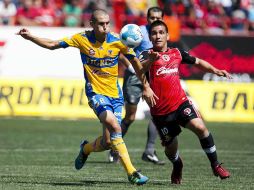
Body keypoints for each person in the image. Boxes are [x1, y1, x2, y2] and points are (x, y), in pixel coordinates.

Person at [16, 9, 158, 185]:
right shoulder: (81, 39)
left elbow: (136, 64)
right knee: (116, 127)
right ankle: (132, 173)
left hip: (115, 95)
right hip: (95, 93)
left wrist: (146, 84)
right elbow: (52, 44)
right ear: (92, 24)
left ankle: (86, 149)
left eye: (107, 23)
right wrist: (30, 37)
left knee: (108, 142)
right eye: (101, 24)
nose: (105, 27)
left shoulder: (118, 41)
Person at [140, 20, 231, 184]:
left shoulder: (177, 53)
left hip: (181, 103)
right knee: (170, 149)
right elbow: (139, 70)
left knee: (200, 127)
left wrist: (215, 70)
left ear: (167, 35)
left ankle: (216, 165)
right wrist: (151, 63)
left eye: (161, 32)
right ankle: (177, 164)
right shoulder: (146, 54)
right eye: (154, 33)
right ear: (150, 37)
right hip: (161, 113)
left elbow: (198, 62)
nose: (158, 36)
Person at [108, 6, 165, 165]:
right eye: (152, 18)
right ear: (147, 19)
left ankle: (149, 151)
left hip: (152, 78)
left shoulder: (162, 34)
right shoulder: (136, 31)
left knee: (157, 113)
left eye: (158, 18)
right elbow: (120, 51)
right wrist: (131, 66)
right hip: (134, 77)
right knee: (130, 116)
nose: (155, 21)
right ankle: (114, 149)